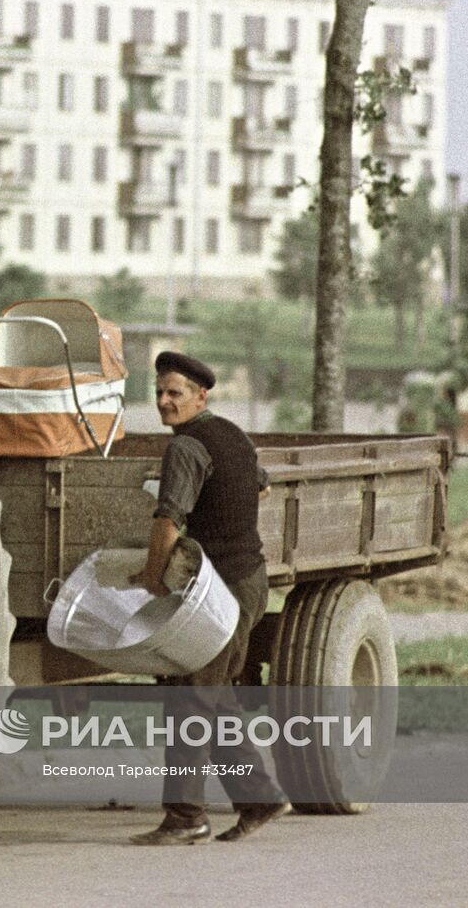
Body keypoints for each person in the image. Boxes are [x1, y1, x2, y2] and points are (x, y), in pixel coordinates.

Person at [129, 350, 290, 846]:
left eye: (174, 393)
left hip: (220, 589)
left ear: (201, 396)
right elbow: (259, 489)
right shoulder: (233, 436)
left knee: (190, 699)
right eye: (159, 392)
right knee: (212, 697)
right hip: (248, 581)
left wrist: (153, 576)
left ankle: (185, 818)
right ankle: (259, 797)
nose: (163, 401)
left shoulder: (187, 447)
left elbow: (168, 520)